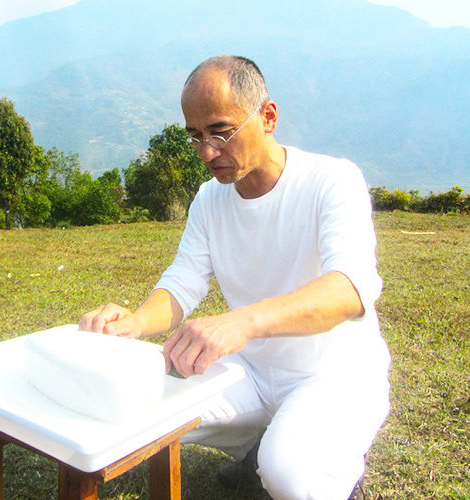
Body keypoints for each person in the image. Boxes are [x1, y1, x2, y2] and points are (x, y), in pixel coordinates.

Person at [80, 55, 390, 500]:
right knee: (135, 412)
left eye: (221, 132)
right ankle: (262, 446)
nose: (207, 152)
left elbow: (349, 289)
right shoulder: (209, 201)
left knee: (290, 478)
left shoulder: (331, 181)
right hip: (250, 370)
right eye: (195, 136)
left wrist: (241, 322)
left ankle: (319, 465)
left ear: (268, 117)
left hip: (332, 374)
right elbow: (183, 280)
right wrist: (132, 323)